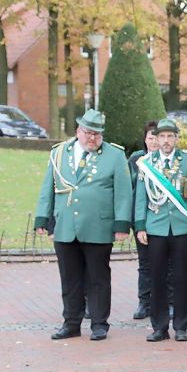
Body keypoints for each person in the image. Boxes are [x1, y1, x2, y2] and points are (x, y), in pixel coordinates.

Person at [34, 109, 132, 341]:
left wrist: (121, 224)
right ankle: (71, 323)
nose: (92, 139)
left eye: (97, 134)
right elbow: (48, 187)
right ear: (78, 131)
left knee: (98, 278)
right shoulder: (59, 153)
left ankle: (99, 323)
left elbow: (123, 193)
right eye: (88, 133)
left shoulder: (115, 155)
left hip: (98, 226)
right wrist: (42, 217)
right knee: (70, 279)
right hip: (66, 226)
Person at [134, 118, 187, 342]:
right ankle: (159, 326)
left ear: (176, 138)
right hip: (156, 227)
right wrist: (140, 225)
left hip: (181, 227)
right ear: (156, 138)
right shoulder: (146, 162)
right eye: (162, 136)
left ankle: (182, 326)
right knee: (157, 278)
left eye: (170, 136)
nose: (166, 141)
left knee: (182, 277)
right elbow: (140, 196)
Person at [128, 121, 159, 320]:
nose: (154, 141)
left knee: (168, 263)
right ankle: (144, 301)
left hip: (162, 217)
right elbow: (129, 183)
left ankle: (168, 301)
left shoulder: (169, 160)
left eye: (157, 137)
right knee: (145, 262)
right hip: (141, 216)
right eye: (150, 138)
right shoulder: (136, 159)